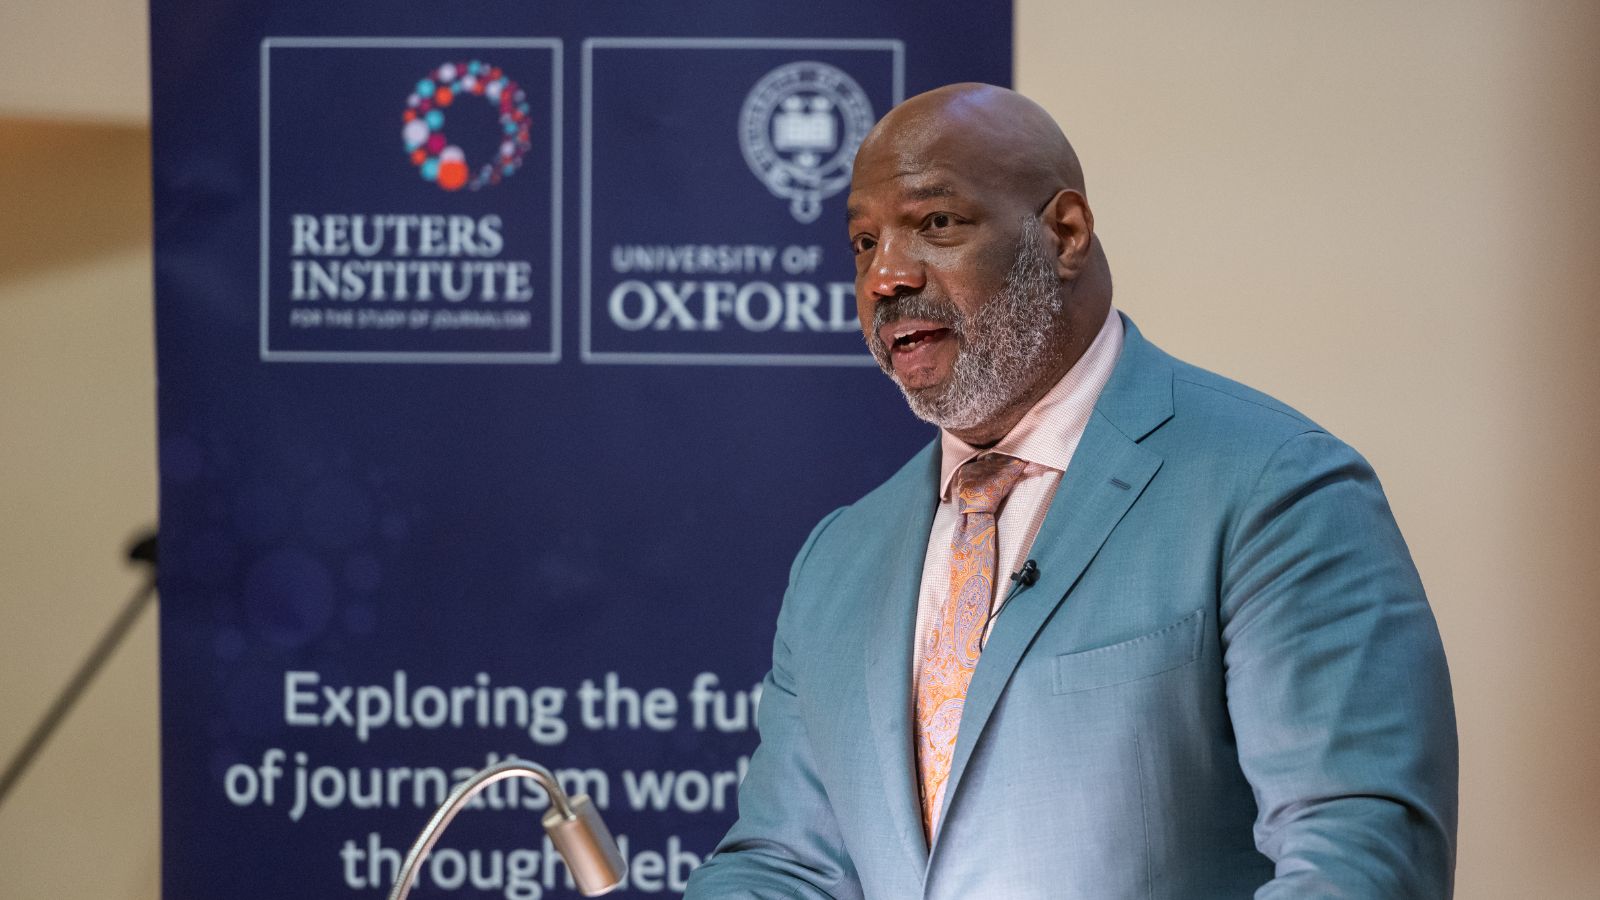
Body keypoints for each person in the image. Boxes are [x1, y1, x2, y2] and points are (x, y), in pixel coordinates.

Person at [684, 83, 1457, 899]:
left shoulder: (1277, 490)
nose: (886, 277)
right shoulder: (839, 558)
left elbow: (1359, 859)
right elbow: (785, 863)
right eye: (863, 242)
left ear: (1064, 234)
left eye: (935, 223)